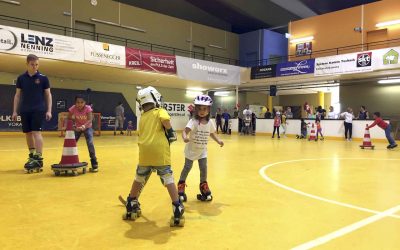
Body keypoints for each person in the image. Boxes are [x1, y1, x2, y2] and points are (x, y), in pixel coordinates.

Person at [123, 86, 184, 226]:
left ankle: (131, 201)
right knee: (168, 178)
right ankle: (177, 207)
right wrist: (171, 133)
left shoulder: (142, 117)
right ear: (155, 99)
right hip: (159, 153)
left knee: (139, 178)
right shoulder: (160, 111)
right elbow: (166, 121)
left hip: (144, 154)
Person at [177, 95, 224, 202]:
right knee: (187, 168)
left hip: (202, 151)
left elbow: (212, 133)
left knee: (204, 169)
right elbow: (185, 131)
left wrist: (219, 141)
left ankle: (203, 186)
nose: (202, 111)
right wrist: (185, 137)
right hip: (191, 150)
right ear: (196, 109)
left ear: (208, 110)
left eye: (204, 109)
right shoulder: (193, 121)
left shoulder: (210, 122)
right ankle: (181, 185)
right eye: (199, 109)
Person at [12, 54, 52, 172]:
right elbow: (17, 95)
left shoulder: (43, 78)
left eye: (37, 64)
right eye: (32, 64)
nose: (35, 67)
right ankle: (32, 156)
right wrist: (15, 111)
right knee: (28, 133)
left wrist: (49, 110)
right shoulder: (21, 78)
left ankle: (39, 158)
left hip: (38, 109)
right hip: (25, 110)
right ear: (27, 64)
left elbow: (48, 95)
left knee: (36, 132)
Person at [68, 95, 99, 172]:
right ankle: (68, 161)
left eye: (82, 102)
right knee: (72, 143)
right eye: (78, 102)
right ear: (75, 103)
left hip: (87, 127)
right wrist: (74, 126)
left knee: (90, 143)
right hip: (77, 128)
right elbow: (69, 117)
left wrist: (84, 126)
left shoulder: (88, 108)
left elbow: (90, 119)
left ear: (85, 103)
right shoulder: (73, 108)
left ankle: (94, 162)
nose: (79, 104)